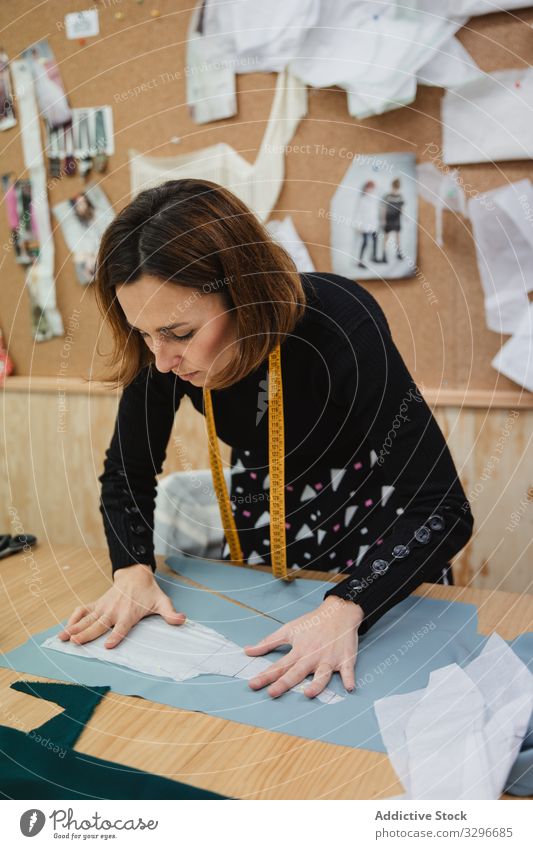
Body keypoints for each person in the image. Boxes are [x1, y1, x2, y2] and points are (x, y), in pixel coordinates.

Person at [58, 178, 474, 701]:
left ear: (245, 294)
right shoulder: (161, 342)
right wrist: (131, 569)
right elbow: (127, 471)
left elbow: (442, 507)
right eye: (142, 333)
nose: (161, 360)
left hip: (380, 533)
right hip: (267, 527)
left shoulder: (341, 321)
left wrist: (348, 604)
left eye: (180, 335)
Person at [355, 180, 381, 268]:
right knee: (365, 242)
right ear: (366, 188)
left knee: (375, 241)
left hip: (374, 224)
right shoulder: (362, 199)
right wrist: (358, 225)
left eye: (372, 188)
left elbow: (376, 212)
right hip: (364, 225)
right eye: (369, 188)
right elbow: (358, 212)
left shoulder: (375, 199)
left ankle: (374, 257)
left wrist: (378, 223)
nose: (370, 190)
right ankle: (360, 261)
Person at [379, 177, 405, 263]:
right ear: (392, 186)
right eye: (394, 187)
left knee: (397, 236)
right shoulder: (387, 196)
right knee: (386, 237)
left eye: (396, 187)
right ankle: (384, 254)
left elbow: (402, 209)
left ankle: (398, 253)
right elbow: (383, 208)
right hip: (388, 219)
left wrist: (404, 216)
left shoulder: (400, 196)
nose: (395, 189)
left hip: (397, 219)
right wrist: (383, 219)